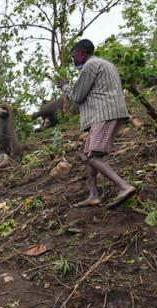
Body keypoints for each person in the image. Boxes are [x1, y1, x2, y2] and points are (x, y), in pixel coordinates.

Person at [56, 39, 136, 208]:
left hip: (104, 114)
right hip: (109, 112)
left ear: (82, 53)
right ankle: (94, 195)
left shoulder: (90, 66)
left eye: (74, 57)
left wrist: (65, 86)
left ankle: (124, 186)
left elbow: (77, 97)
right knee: (87, 157)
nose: (73, 61)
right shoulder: (107, 64)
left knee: (93, 156)